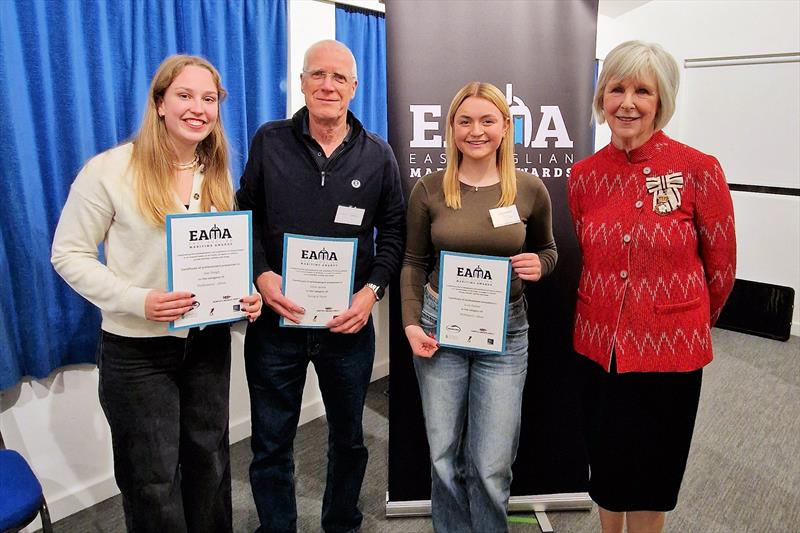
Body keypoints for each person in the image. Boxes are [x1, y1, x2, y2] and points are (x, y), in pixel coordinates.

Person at [51, 55, 262, 532]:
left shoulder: (218, 173)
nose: (198, 109)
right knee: (152, 479)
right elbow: (68, 255)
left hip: (206, 345)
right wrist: (137, 300)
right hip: (137, 351)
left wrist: (245, 292)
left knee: (210, 464)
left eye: (208, 99)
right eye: (185, 96)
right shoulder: (108, 170)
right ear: (160, 102)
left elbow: (221, 254)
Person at [236, 39, 405, 533]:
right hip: (276, 323)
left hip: (347, 328)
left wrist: (371, 291)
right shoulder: (269, 140)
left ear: (355, 87)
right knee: (270, 443)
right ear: (303, 81)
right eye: (317, 75)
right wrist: (262, 274)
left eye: (338, 77)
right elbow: (245, 215)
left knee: (349, 440)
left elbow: (393, 231)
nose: (327, 85)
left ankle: (342, 524)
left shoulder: (379, 155)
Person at [568, 40, 736, 533]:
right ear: (602, 98)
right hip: (599, 348)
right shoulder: (583, 176)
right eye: (616, 88)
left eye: (642, 90)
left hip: (671, 354)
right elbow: (590, 252)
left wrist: (682, 318)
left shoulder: (698, 169)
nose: (627, 102)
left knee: (652, 472)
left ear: (661, 100)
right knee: (606, 465)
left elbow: (720, 268)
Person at [401, 81, 558, 533]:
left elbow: (549, 251)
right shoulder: (428, 190)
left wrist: (540, 265)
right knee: (443, 455)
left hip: (506, 335)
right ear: (450, 128)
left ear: (506, 128)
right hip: (438, 329)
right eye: (465, 121)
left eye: (488, 121)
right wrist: (412, 324)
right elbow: (413, 262)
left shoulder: (529, 189)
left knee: (491, 466)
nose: (476, 131)